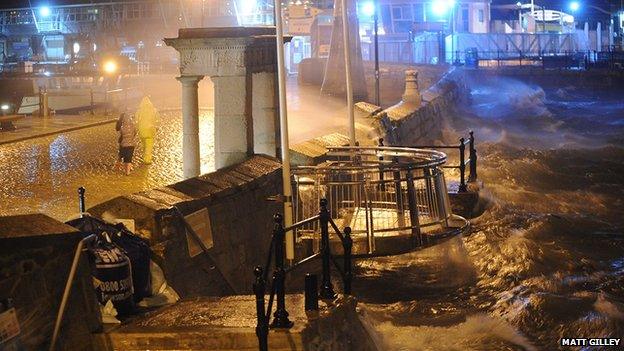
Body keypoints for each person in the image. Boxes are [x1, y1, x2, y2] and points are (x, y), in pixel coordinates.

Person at [135, 96, 159, 164]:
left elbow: (136, 121)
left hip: (142, 130)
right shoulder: (154, 110)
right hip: (150, 130)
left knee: (144, 145)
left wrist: (138, 128)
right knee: (149, 145)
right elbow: (157, 120)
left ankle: (144, 157)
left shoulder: (139, 111)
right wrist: (156, 127)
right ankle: (147, 159)